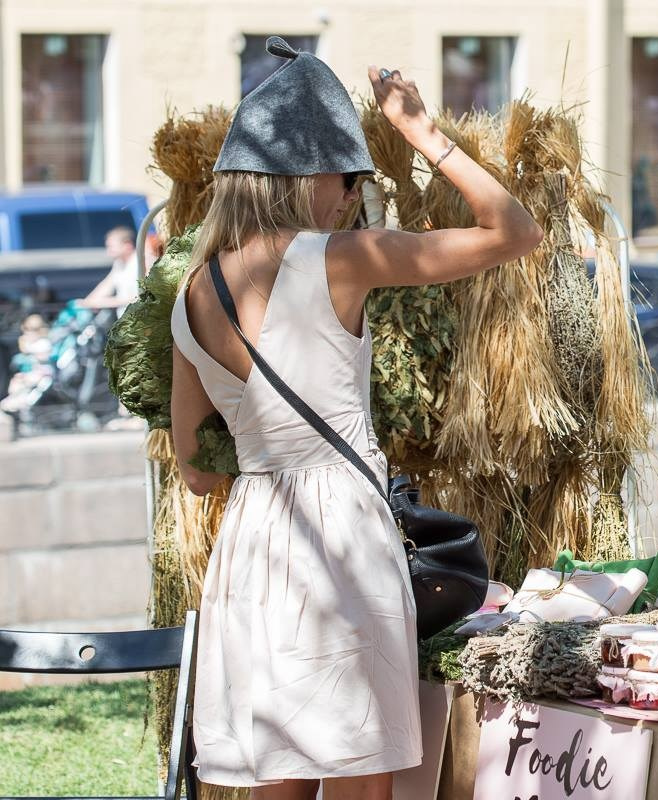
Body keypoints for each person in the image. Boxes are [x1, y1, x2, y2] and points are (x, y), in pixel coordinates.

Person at [169, 38, 541, 799]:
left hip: (252, 543)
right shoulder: (335, 256)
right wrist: (419, 131)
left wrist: (266, 446)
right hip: (337, 538)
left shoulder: (190, 294)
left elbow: (196, 468)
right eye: (347, 179)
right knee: (361, 775)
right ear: (308, 177)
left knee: (281, 775)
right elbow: (514, 232)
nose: (349, 197)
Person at [79, 226, 139, 313]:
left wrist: (104, 303)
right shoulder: (119, 263)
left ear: (127, 245)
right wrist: (85, 303)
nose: (108, 252)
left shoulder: (142, 262)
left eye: (111, 246)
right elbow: (106, 286)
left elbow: (142, 298)